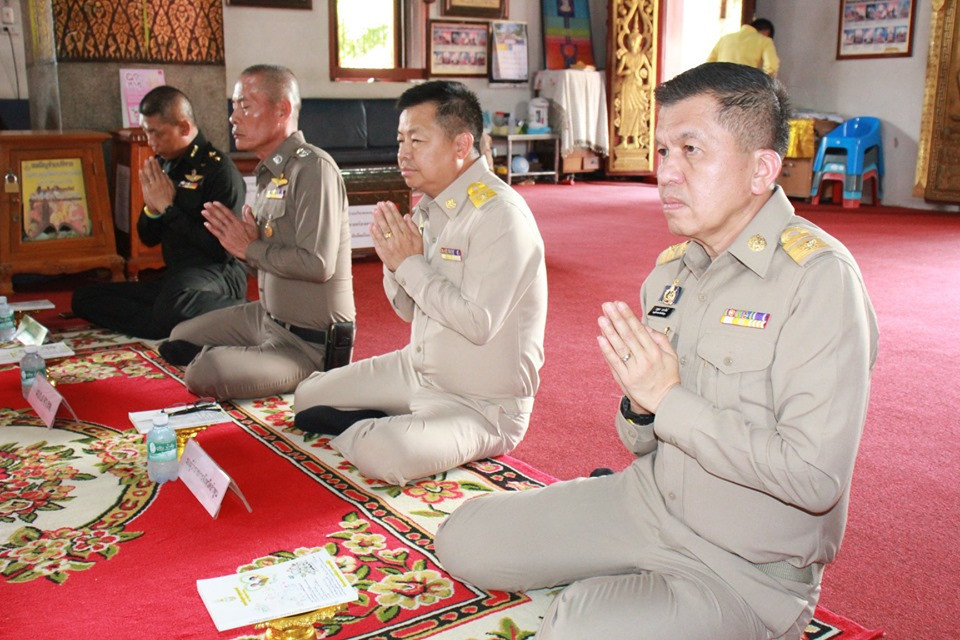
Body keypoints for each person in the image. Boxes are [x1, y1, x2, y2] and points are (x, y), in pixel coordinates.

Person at [434, 62, 879, 640]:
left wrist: (666, 400)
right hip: (648, 502)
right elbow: (640, 441)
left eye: (691, 150)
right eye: (663, 150)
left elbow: (815, 479)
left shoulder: (818, 281)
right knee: (463, 538)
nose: (666, 173)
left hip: (744, 567)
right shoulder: (673, 275)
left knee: (576, 627)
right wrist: (644, 408)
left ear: (761, 169)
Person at [293, 80, 548, 486]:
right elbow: (408, 309)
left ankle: (387, 428)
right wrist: (394, 265)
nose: (402, 154)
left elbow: (478, 323)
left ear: (461, 146)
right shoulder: (433, 206)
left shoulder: (499, 216)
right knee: (307, 396)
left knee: (386, 455)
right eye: (400, 140)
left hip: (479, 404)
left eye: (416, 140)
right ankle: (395, 420)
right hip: (416, 370)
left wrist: (409, 263)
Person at [158, 65, 355, 400]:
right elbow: (267, 262)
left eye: (246, 106)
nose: (234, 118)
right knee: (179, 337)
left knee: (205, 372)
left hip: (307, 343)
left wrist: (250, 248)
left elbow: (318, 265)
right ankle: (244, 356)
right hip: (266, 317)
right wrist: (242, 249)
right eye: (233, 107)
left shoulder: (312, 169)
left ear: (283, 111)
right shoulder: (271, 173)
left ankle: (271, 367)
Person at [71, 86, 247, 339]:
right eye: (145, 131)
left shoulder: (218, 170)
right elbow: (148, 237)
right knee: (84, 297)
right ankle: (175, 325)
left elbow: (219, 250)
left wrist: (169, 208)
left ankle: (247, 313)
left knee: (172, 303)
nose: (149, 140)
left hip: (218, 273)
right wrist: (152, 209)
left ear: (184, 128)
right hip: (178, 278)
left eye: (155, 132)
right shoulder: (165, 165)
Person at [707, 18, 780, 77]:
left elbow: (709, 64)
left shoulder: (725, 38)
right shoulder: (765, 40)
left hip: (720, 83)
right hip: (745, 84)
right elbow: (771, 67)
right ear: (766, 32)